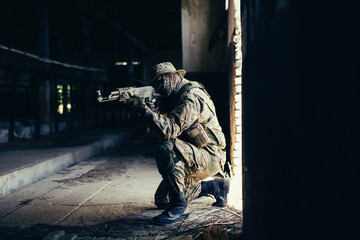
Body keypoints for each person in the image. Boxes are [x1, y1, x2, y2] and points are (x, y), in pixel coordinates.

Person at [126, 62, 230, 225]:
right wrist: (152, 111)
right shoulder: (174, 98)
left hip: (210, 155)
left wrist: (144, 111)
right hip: (195, 153)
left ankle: (180, 206)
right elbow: (160, 128)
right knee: (162, 199)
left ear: (171, 77)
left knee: (165, 148)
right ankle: (215, 187)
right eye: (154, 85)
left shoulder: (190, 97)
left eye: (159, 83)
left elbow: (168, 132)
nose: (157, 89)